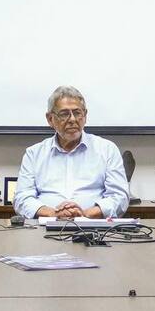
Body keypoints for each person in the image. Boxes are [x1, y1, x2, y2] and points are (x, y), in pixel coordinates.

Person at [14, 86, 129, 219]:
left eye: (77, 113)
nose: (73, 119)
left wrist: (85, 214)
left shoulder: (107, 149)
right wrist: (53, 214)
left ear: (85, 115)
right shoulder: (34, 154)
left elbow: (119, 197)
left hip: (93, 228)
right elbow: (22, 199)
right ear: (50, 119)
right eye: (64, 114)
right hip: (44, 227)